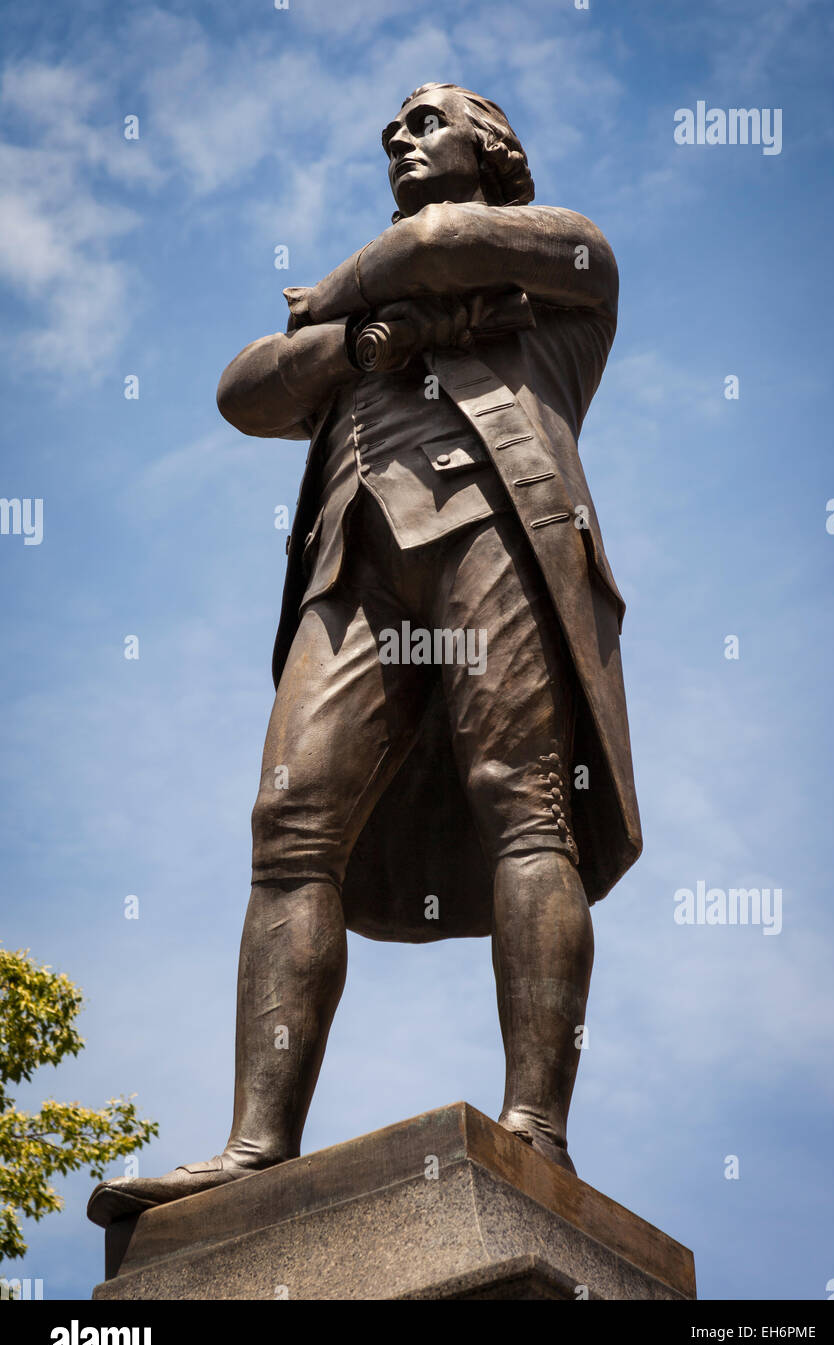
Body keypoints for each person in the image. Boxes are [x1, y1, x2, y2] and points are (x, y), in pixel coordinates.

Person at [88, 82, 641, 1228]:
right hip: (356, 569)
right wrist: (370, 340)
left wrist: (347, 293)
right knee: (287, 833)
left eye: (427, 120)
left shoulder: (564, 260)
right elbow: (245, 389)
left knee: (523, 808)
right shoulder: (378, 331)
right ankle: (254, 1151)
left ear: (493, 149)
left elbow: (440, 241)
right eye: (391, 127)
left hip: (499, 533)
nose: (400, 136)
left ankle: (534, 1127)